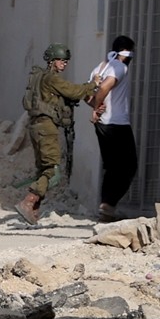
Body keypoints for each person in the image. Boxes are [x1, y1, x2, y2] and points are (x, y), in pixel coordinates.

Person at [15, 43, 99, 226]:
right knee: (51, 170)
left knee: (42, 169)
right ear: (52, 61)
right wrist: (93, 85)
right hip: (46, 126)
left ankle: (33, 211)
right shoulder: (51, 79)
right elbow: (74, 91)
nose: (64, 64)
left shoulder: (39, 78)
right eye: (61, 60)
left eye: (66, 61)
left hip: (36, 126)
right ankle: (28, 201)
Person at [87, 35, 138, 223]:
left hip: (102, 123)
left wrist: (95, 106)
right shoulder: (119, 67)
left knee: (112, 167)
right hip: (117, 123)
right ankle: (109, 203)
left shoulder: (98, 68)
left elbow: (87, 93)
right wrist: (97, 105)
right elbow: (106, 87)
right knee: (129, 166)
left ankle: (106, 209)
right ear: (127, 52)